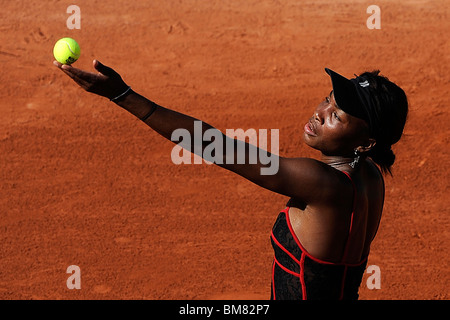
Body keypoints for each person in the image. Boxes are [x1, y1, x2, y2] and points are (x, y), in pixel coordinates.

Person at [53, 60, 408, 300]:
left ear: (366, 142)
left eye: (336, 116)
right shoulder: (371, 177)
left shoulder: (321, 183)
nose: (318, 114)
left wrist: (122, 95)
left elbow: (217, 147)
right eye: (326, 101)